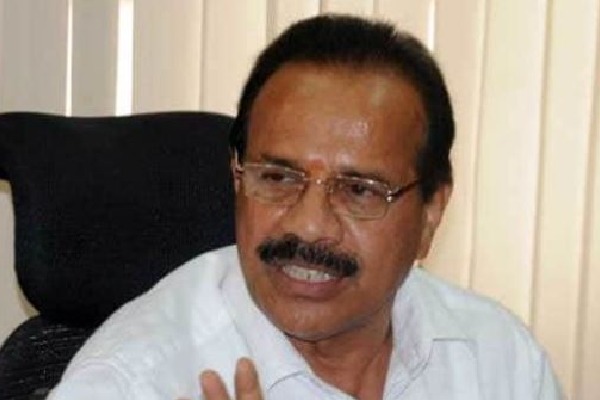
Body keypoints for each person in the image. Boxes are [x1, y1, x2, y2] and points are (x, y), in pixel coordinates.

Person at [49, 15, 563, 400]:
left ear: (431, 212)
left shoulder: (497, 360)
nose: (309, 225)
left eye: (359, 190)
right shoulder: (134, 382)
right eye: (277, 178)